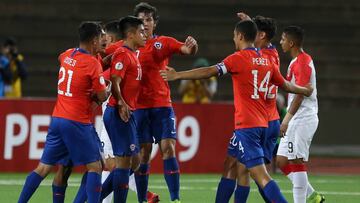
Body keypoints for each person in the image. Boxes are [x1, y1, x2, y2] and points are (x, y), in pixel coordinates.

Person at [160, 20, 313, 203]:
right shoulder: (268, 59)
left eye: (234, 35)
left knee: (261, 176)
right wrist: (304, 90)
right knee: (230, 164)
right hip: (264, 123)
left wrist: (178, 75)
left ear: (240, 36)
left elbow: (210, 71)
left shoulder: (237, 58)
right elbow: (285, 85)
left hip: (248, 127)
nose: (233, 38)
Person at [17, 21, 109, 203]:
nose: (102, 41)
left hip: (58, 119)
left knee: (43, 168)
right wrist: (106, 89)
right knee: (96, 167)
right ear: (93, 40)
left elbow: (72, 70)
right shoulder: (92, 64)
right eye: (100, 38)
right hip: (77, 122)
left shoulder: (66, 55)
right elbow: (101, 95)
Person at [133, 2, 198, 203]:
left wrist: (191, 46)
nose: (145, 23)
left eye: (149, 19)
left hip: (162, 105)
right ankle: (142, 199)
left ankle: (175, 199)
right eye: (142, 20)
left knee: (168, 147)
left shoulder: (163, 42)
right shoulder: (127, 47)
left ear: (154, 23)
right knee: (143, 155)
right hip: (139, 108)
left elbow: (186, 50)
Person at [276, 26, 325, 203]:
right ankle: (313, 195)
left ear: (291, 42)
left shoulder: (303, 62)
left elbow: (301, 95)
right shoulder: (295, 61)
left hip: (303, 118)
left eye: (283, 39)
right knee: (282, 161)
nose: (280, 42)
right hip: (296, 118)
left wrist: (286, 120)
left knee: (296, 161)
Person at [102, 15, 146, 203]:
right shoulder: (122, 53)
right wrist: (120, 102)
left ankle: (94, 198)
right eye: (141, 32)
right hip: (118, 112)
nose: (145, 35)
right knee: (125, 162)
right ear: (130, 34)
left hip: (128, 113)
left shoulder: (133, 55)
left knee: (134, 162)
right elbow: (115, 79)